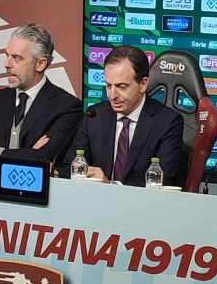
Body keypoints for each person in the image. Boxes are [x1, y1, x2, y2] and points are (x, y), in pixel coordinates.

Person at [56, 45, 184, 187]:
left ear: (143, 84)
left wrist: (112, 185)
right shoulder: (94, 116)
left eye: (121, 87)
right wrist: (54, 172)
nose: (112, 96)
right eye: (108, 86)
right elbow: (71, 165)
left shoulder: (167, 122)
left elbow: (164, 181)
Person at [0, 23, 83, 170]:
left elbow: (44, 158)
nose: (7, 64)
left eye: (17, 58)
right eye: (7, 55)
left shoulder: (66, 106)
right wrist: (25, 157)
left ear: (40, 64)